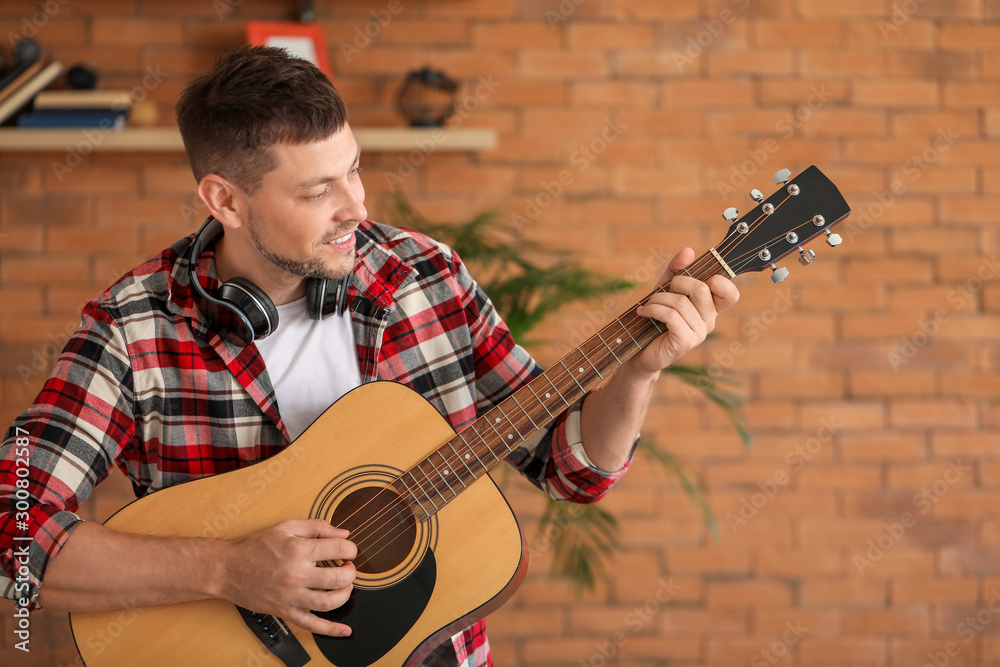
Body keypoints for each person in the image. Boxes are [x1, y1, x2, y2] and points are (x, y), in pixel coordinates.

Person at [0, 46, 739, 666]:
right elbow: (13, 525)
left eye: (354, 167)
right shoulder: (136, 324)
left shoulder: (426, 276)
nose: (357, 205)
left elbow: (568, 467)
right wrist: (227, 569)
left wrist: (638, 371)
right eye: (320, 188)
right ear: (224, 199)